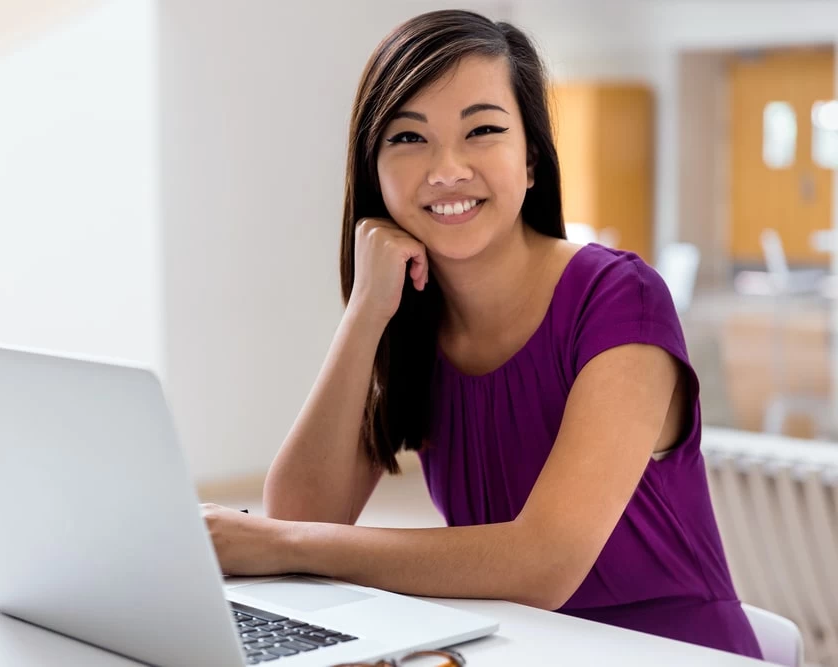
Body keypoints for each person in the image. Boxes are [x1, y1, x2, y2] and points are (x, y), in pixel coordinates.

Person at [201, 9, 762, 660]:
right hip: (521, 652)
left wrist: (282, 547)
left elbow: (542, 563)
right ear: (373, 173)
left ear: (530, 161)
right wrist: (364, 311)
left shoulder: (620, 300)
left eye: (483, 131)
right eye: (408, 139)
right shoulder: (412, 320)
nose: (446, 169)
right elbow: (301, 510)